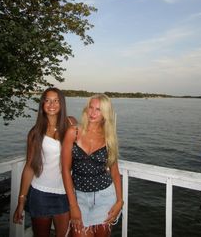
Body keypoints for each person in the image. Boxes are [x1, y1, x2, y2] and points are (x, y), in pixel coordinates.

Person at [13, 87, 77, 237]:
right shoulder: (35, 133)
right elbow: (29, 167)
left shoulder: (71, 123)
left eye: (56, 100)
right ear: (42, 104)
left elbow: (83, 148)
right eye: (47, 100)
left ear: (62, 104)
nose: (51, 104)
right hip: (40, 194)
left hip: (65, 193)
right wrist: (21, 201)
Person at [62, 94, 123, 237]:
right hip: (79, 196)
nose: (93, 112)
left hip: (105, 196)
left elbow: (114, 172)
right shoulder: (73, 132)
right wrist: (73, 206)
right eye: (91, 107)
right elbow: (65, 170)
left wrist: (120, 201)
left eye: (98, 109)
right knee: (78, 234)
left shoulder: (109, 137)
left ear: (105, 114)